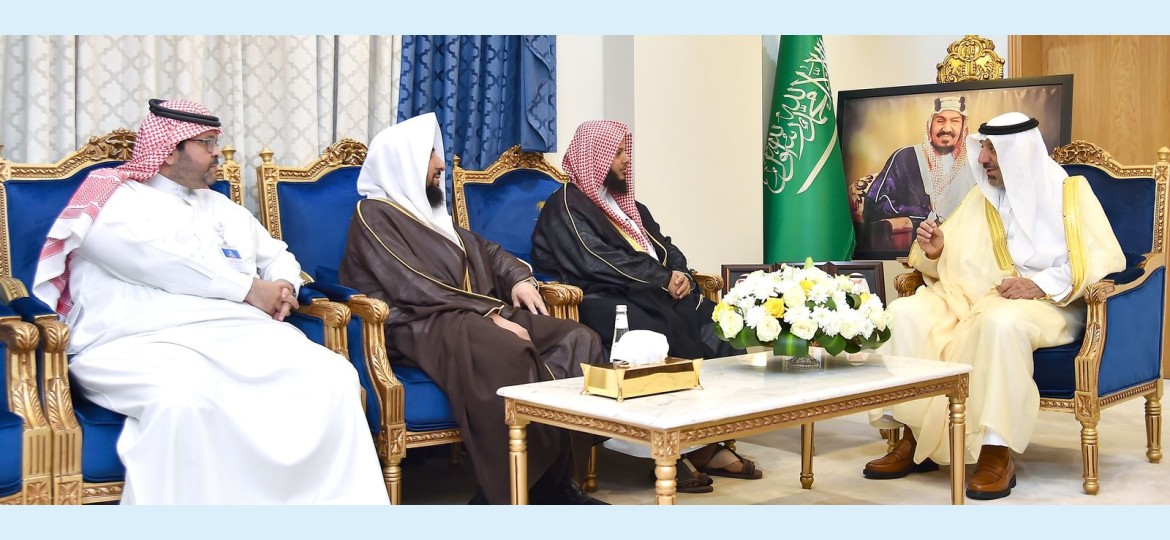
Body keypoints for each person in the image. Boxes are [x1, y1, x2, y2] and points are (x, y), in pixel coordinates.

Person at [31, 99, 389, 504]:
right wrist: (249, 289)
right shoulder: (113, 199)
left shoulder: (222, 206)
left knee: (332, 376)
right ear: (170, 150)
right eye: (207, 143)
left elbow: (278, 253)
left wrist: (282, 287)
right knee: (182, 399)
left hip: (238, 333)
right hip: (136, 341)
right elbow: (155, 262)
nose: (218, 153)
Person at [338, 112, 608, 505]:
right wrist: (490, 315)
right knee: (507, 350)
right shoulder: (374, 215)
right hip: (422, 322)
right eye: (430, 155)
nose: (440, 165)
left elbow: (488, 252)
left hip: (470, 312)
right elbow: (412, 283)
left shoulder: (432, 215)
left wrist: (518, 278)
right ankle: (509, 490)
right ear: (403, 161)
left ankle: (553, 480)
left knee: (579, 339)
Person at [862, 112, 1125, 500]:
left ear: (1019, 153)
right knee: (905, 314)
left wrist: (1038, 284)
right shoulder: (981, 196)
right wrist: (936, 251)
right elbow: (952, 256)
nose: (982, 159)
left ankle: (995, 450)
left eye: (992, 150)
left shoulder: (1070, 194)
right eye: (983, 148)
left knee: (999, 324)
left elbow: (1101, 259)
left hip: (1050, 303)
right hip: (971, 296)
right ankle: (914, 438)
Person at [530, 120, 762, 490]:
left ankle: (708, 438)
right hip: (599, 297)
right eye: (618, 152)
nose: (627, 160)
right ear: (595, 156)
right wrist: (660, 278)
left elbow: (665, 245)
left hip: (645, 291)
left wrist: (680, 273)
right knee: (654, 333)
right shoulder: (567, 207)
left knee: (713, 320)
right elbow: (597, 260)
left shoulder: (629, 207)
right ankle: (669, 449)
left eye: (626, 151)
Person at [862, 96, 978, 251]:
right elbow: (874, 207)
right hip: (918, 249)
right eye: (940, 120)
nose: (947, 128)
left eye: (955, 121)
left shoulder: (975, 162)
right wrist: (926, 215)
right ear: (930, 125)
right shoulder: (905, 157)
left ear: (963, 127)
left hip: (965, 250)